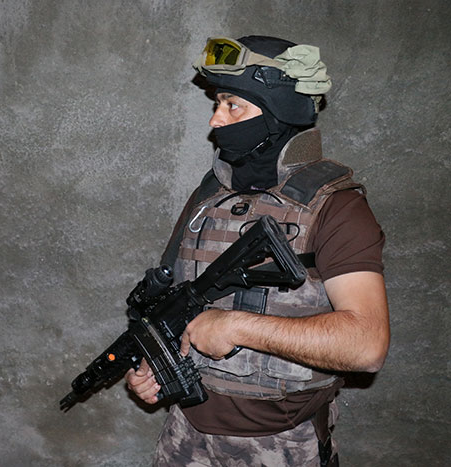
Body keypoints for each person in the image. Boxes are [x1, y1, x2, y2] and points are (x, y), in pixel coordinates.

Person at [124, 35, 389, 466]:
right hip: (184, 435)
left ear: (278, 113)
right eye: (218, 104)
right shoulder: (209, 196)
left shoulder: (336, 207)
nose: (216, 121)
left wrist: (237, 327)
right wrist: (155, 363)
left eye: (233, 106)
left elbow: (367, 345)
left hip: (281, 445)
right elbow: (178, 302)